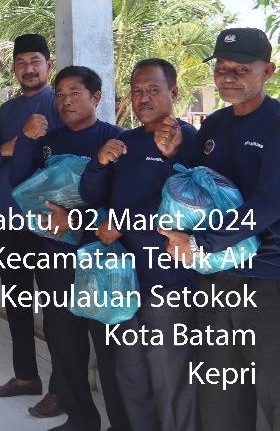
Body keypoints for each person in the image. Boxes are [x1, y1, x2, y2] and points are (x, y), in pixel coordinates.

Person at [160, 27, 279, 430]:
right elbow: (196, 182)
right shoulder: (213, 125)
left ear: (268, 71)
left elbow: (270, 203)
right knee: (220, 392)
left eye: (242, 69)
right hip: (212, 277)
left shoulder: (276, 124)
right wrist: (174, 152)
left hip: (265, 280)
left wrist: (200, 241)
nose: (228, 76)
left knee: (274, 390)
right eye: (222, 67)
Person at [6, 66, 130, 431]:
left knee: (108, 346)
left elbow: (123, 202)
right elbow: (20, 181)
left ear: (96, 97)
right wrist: (26, 141)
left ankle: (121, 423)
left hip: (99, 256)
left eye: (75, 93)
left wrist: (77, 219)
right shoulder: (50, 139)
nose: (65, 100)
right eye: (60, 94)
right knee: (62, 337)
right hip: (56, 252)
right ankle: (80, 418)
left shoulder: (116, 138)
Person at [79, 59, 199, 431]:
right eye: (136, 90)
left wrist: (123, 222)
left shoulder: (190, 141)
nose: (143, 98)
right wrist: (99, 163)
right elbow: (90, 194)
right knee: (130, 373)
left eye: (153, 89)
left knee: (171, 379)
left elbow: (187, 207)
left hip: (169, 281)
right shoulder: (125, 141)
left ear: (174, 93)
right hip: (123, 281)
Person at [0, 33, 64, 419]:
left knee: (56, 308)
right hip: (10, 218)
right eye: (21, 63)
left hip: (50, 222)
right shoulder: (8, 110)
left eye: (35, 61)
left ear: (49, 64)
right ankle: (25, 376)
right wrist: (12, 145)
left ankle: (63, 388)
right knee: (18, 302)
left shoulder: (62, 103)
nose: (28, 69)